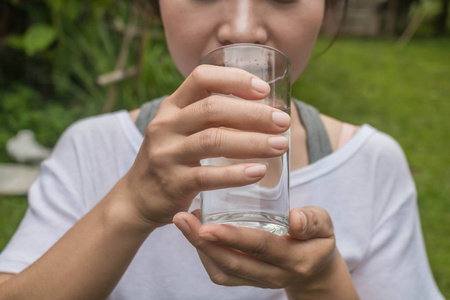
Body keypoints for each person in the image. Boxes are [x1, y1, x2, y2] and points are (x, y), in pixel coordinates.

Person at [0, 0, 444, 299]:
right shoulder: (91, 149)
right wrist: (129, 206)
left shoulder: (371, 165)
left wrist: (323, 280)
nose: (243, 27)